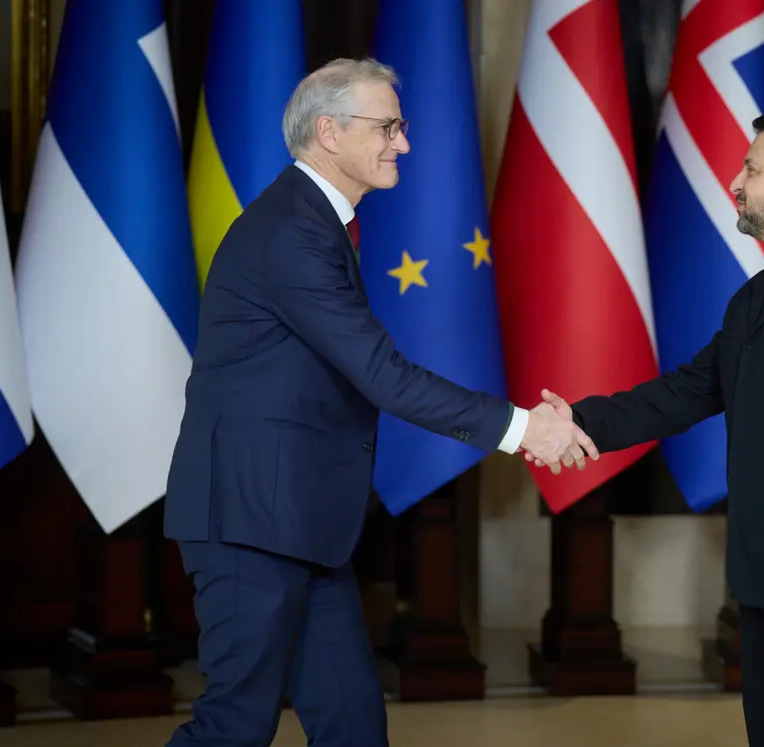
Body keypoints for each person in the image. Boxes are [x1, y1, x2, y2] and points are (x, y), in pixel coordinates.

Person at [162, 57, 596, 747]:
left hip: (302, 523)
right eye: (388, 126)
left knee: (353, 723)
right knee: (234, 725)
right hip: (250, 520)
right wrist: (521, 429)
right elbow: (381, 373)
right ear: (329, 132)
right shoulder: (293, 232)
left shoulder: (314, 223)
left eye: (403, 126)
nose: (405, 143)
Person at [526, 109, 764, 747]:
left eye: (751, 168)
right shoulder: (754, 297)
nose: (735, 182)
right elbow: (689, 390)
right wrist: (578, 421)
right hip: (762, 583)